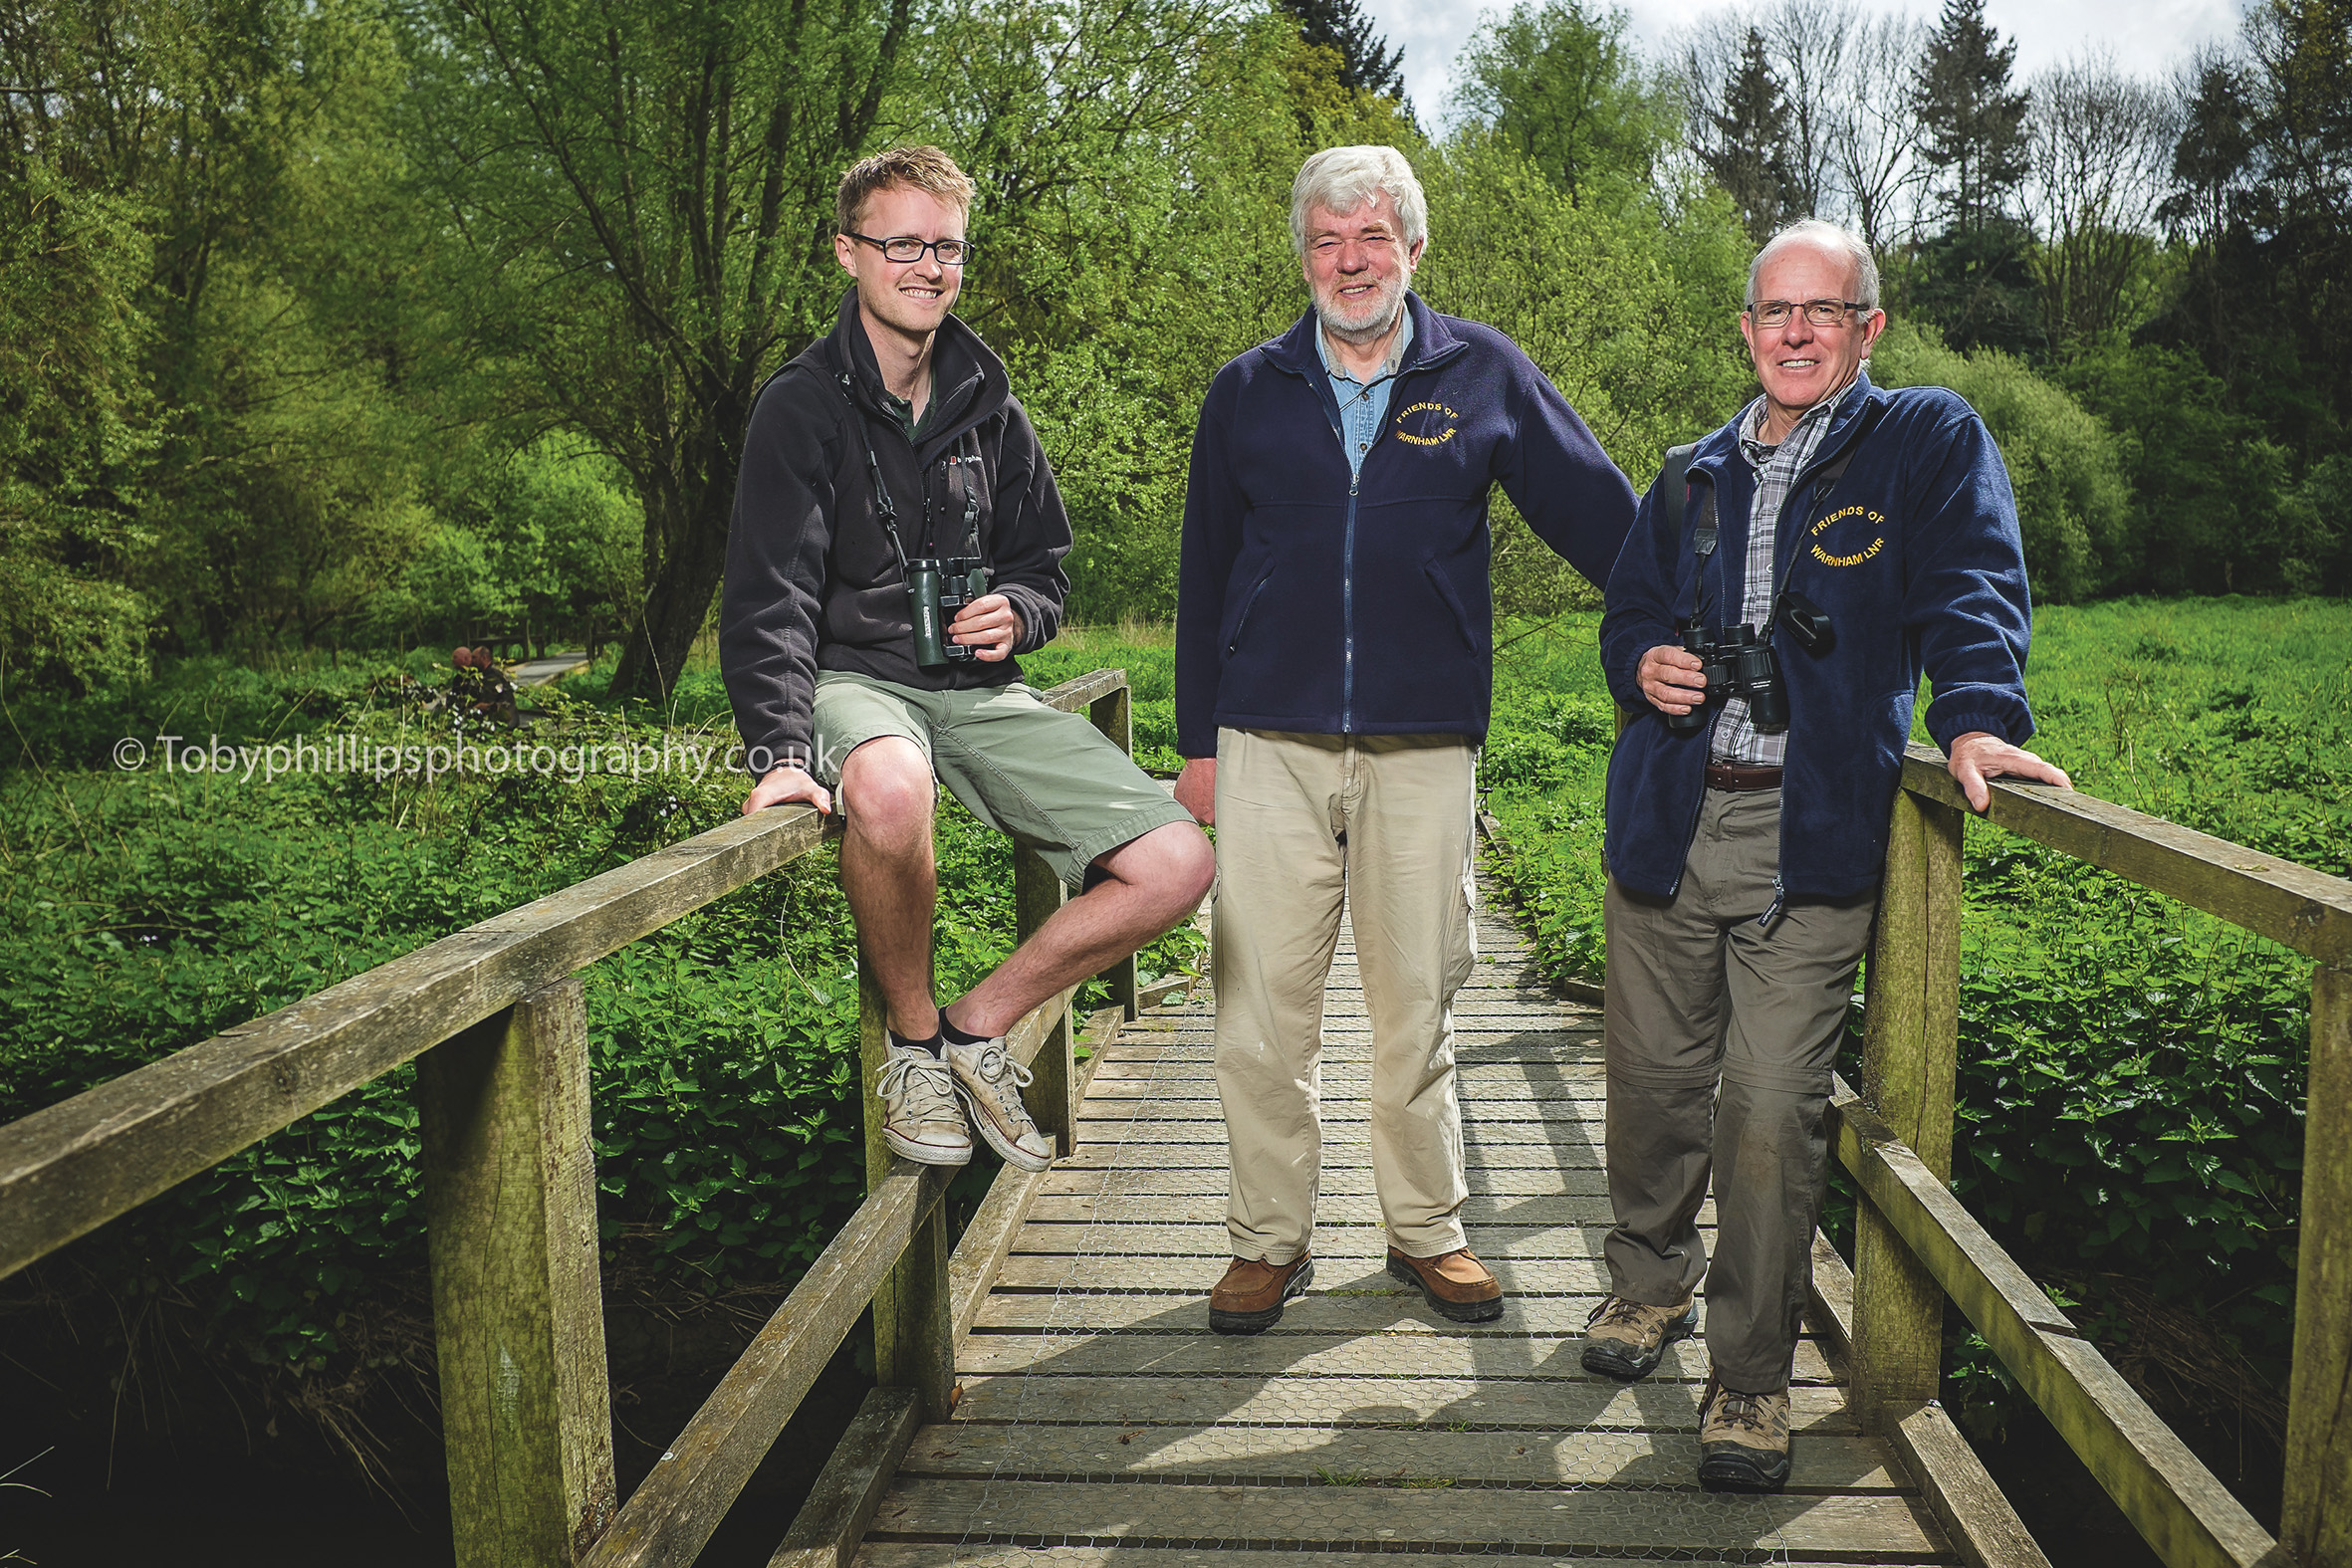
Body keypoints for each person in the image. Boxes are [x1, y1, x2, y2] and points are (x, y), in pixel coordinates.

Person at [1589, 218, 2071, 1492]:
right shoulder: (1691, 468)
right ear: (1744, 330)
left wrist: (1975, 717)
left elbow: (1970, 581)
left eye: (1822, 311)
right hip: (1667, 819)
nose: (1793, 333)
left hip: (1808, 834)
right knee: (1647, 1084)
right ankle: (1645, 1290)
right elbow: (1628, 608)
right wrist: (1639, 659)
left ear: (1868, 329)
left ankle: (1749, 1384)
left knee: (1765, 1111)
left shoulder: (1920, 437)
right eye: (1772, 312)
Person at [1173, 145, 1637, 1335]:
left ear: (1413, 249)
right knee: (1258, 1013)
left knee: (1417, 1001)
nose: (1349, 261)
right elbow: (1202, 572)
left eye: (1370, 237)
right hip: (1266, 738)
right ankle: (1266, 1241)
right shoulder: (1247, 388)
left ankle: (1426, 1230)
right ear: (1303, 257)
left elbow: (1602, 516)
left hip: (1425, 743)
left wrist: (1673, 622)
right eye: (1326, 242)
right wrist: (1197, 744)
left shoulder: (1480, 371)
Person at [722, 145, 1214, 1176]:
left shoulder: (990, 402)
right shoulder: (799, 405)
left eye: (945, 246)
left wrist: (1018, 612)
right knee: (892, 791)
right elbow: (770, 597)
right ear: (848, 253)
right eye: (901, 244)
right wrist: (776, 752)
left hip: (979, 689)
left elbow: (1044, 564)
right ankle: (910, 1046)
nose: (927, 267)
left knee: (1179, 863)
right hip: (858, 680)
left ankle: (973, 1027)